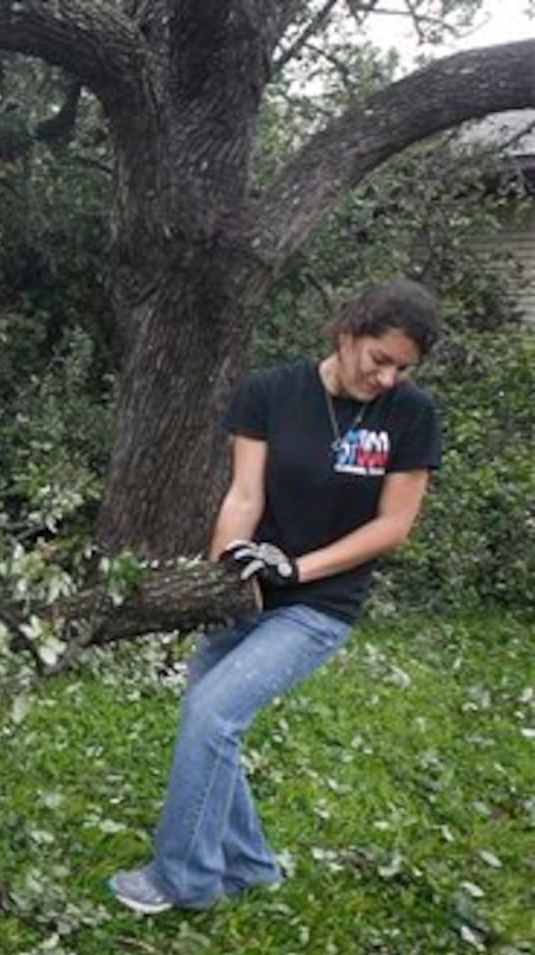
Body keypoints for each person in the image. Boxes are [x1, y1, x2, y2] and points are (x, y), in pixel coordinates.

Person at [108, 278, 443, 914]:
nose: (389, 378)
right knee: (208, 719)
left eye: (404, 367)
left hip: (320, 606)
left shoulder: (410, 415)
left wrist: (299, 569)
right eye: (380, 360)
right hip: (251, 592)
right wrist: (219, 582)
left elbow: (392, 526)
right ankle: (253, 866)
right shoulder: (271, 392)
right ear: (347, 336)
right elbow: (243, 497)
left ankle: (184, 881)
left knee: (212, 717)